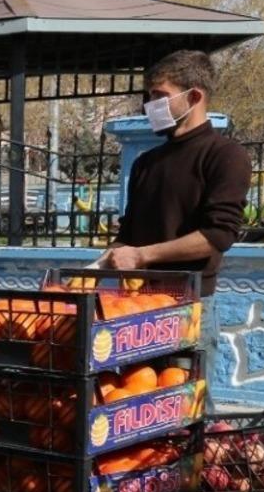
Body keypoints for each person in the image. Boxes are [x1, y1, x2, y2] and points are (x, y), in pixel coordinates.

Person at [96, 49, 251, 385]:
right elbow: (130, 232)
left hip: (189, 306)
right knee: (136, 403)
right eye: (150, 96)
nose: (151, 104)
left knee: (185, 407)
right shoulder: (146, 163)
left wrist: (142, 255)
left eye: (161, 96)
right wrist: (99, 265)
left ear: (194, 96)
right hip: (135, 308)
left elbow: (217, 236)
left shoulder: (225, 156)